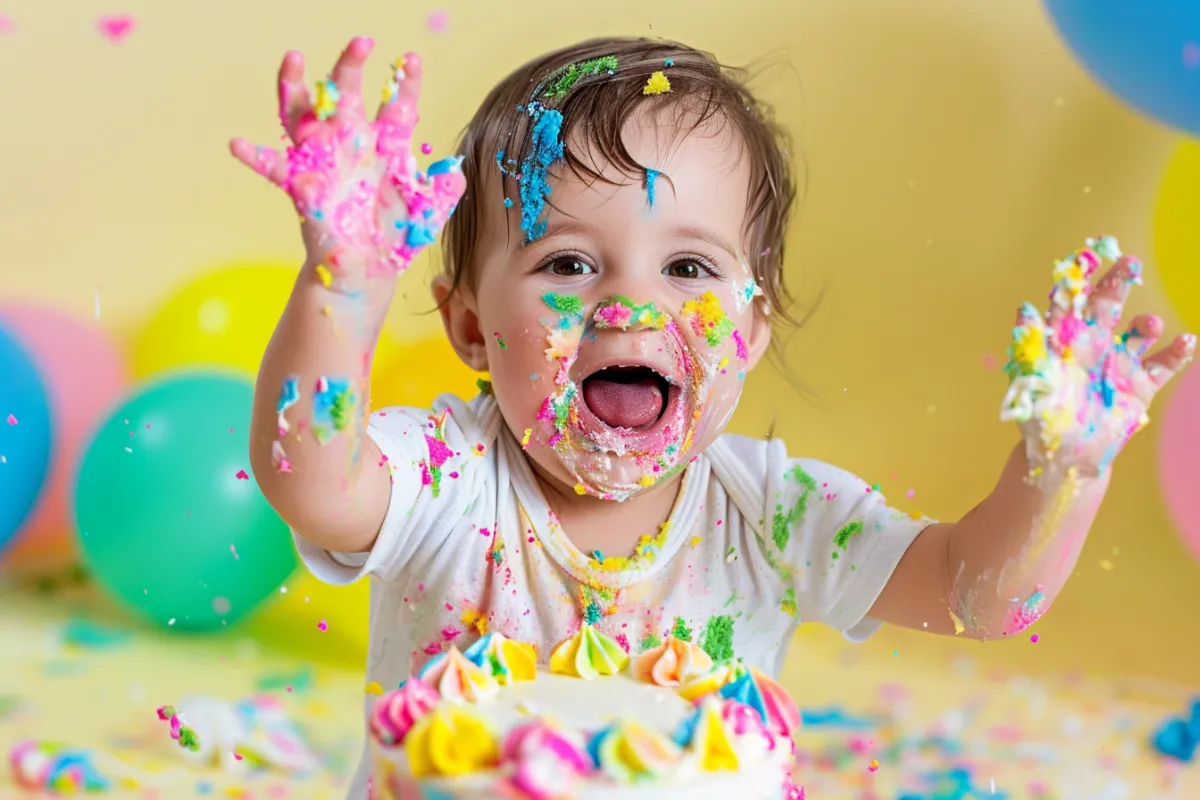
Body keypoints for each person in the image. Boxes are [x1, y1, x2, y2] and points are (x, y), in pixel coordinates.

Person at [230, 35, 1194, 797]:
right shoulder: (448, 475)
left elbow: (981, 598)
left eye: (688, 268)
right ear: (473, 326)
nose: (633, 308)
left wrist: (1063, 469)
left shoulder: (767, 513)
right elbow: (314, 485)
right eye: (567, 263)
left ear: (754, 327)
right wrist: (340, 290)